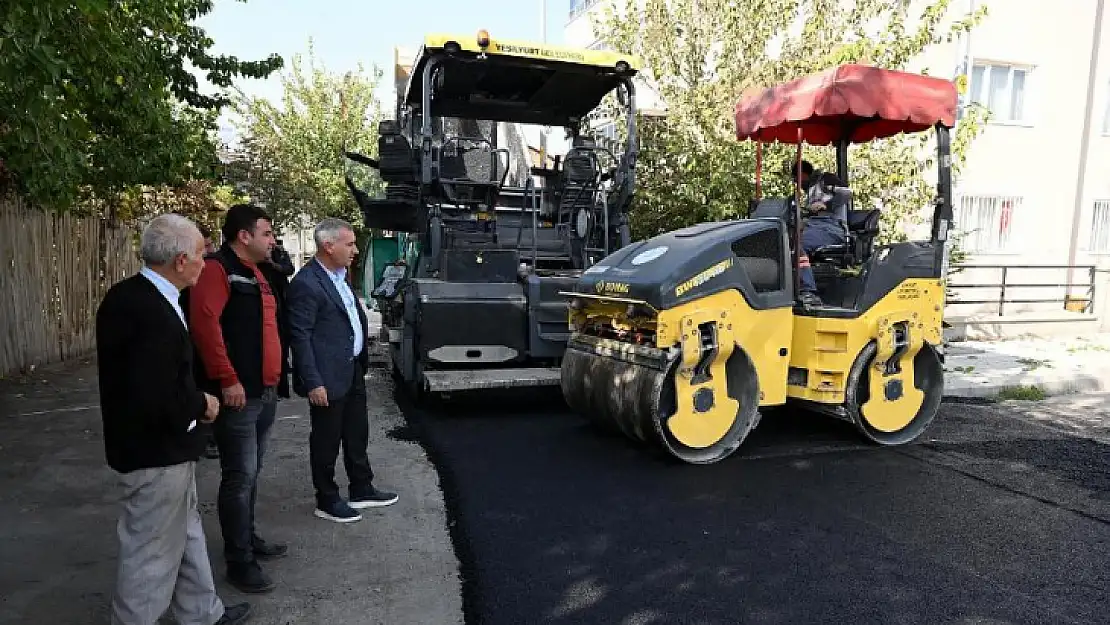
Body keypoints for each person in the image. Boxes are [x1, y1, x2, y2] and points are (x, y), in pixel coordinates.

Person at [96, 213, 251, 625]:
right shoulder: (143, 308)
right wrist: (202, 403)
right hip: (153, 453)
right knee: (149, 553)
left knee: (186, 532)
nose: (208, 260)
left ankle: (202, 612)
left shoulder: (147, 297)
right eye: (202, 253)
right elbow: (154, 391)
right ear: (181, 260)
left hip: (168, 448)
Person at [187, 203, 286, 594]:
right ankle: (239, 560)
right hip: (239, 395)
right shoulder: (217, 269)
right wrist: (227, 379)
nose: (273, 239)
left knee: (252, 473)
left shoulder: (259, 273)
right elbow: (205, 325)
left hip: (265, 391)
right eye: (267, 233)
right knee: (239, 477)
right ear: (243, 236)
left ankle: (248, 538)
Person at [287, 217, 398, 523]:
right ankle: (327, 498)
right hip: (325, 378)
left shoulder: (340, 275)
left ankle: (361, 487)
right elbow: (301, 337)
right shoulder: (306, 284)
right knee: (326, 441)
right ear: (328, 245)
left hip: (351, 371)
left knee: (356, 434)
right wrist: (313, 381)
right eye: (349, 244)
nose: (356, 249)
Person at [789, 159, 852, 307]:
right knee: (786, 238)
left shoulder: (825, 179)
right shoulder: (810, 190)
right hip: (816, 227)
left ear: (803, 174)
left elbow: (847, 193)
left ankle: (808, 292)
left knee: (796, 243)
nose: (797, 183)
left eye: (797, 179)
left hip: (832, 228)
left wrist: (826, 204)